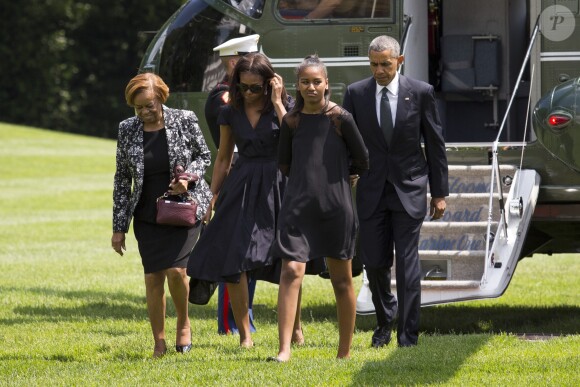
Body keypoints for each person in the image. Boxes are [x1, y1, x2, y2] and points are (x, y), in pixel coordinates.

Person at [188, 53, 302, 348]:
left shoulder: (286, 106)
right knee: (234, 258)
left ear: (270, 83)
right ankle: (244, 335)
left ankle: (296, 328)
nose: (248, 93)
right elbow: (224, 157)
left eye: (255, 87)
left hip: (279, 183)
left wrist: (277, 102)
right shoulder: (230, 111)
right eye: (243, 87)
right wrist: (211, 197)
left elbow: (295, 140)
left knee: (288, 261)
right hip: (243, 183)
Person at [343, 35, 449, 348]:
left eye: (385, 64)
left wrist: (439, 192)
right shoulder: (356, 93)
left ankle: (408, 335)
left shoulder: (420, 92)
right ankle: (384, 316)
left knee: (406, 263)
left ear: (399, 61)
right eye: (374, 64)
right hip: (371, 189)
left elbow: (435, 144)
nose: (379, 70)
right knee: (374, 262)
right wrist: (347, 170)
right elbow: (346, 139)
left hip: (409, 188)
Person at [268, 55, 369, 362]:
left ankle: (344, 352)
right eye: (304, 82)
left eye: (316, 82)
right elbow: (284, 164)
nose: (311, 87)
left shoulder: (341, 118)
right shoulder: (291, 121)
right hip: (297, 208)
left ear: (327, 83)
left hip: (336, 210)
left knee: (341, 279)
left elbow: (362, 159)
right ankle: (284, 350)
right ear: (297, 86)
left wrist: (344, 176)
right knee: (290, 271)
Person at [111, 73, 212, 358]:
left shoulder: (184, 119)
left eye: (149, 106)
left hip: (183, 207)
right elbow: (121, 180)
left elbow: (203, 155)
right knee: (153, 277)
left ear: (161, 99)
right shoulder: (127, 129)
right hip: (147, 214)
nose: (143, 112)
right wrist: (119, 227)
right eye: (137, 107)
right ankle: (158, 340)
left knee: (177, 271)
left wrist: (188, 179)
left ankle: (183, 322)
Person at [204, 34, 260, 336]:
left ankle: (243, 318)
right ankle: (230, 323)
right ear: (234, 62)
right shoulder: (222, 97)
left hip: (256, 174)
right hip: (236, 174)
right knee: (234, 253)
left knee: (252, 254)